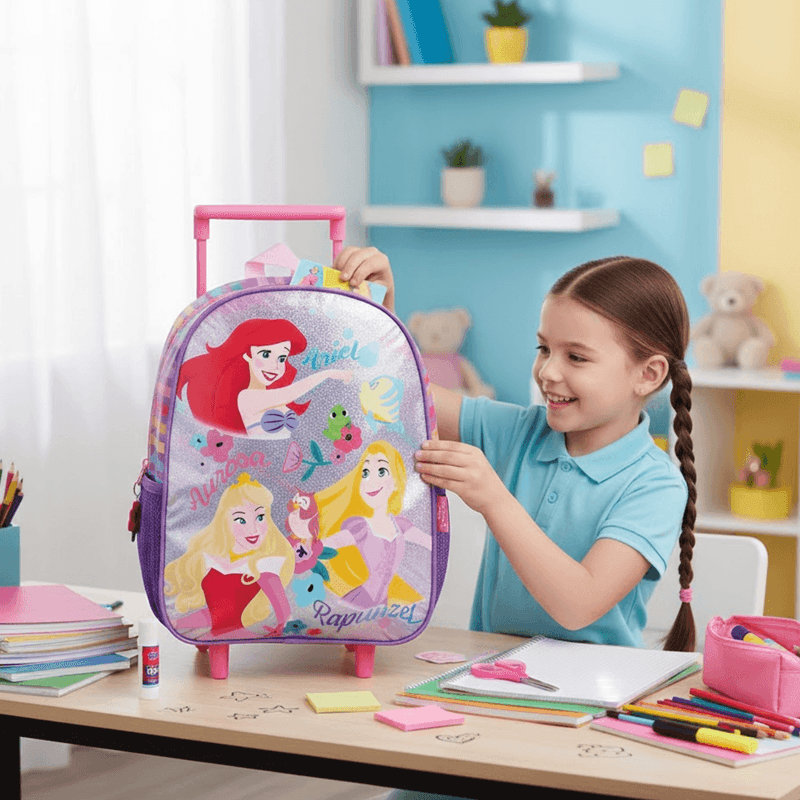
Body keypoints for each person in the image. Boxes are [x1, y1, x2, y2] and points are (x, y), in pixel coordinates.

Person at [331, 247, 696, 800]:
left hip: (586, 721)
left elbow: (578, 603)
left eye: (576, 357)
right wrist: (381, 305)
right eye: (544, 348)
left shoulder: (655, 485)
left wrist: (494, 500)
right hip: (483, 698)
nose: (548, 371)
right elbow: (397, 394)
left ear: (648, 374)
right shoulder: (518, 431)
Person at [165, 472, 295, 638]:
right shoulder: (212, 559)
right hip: (219, 632)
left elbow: (283, 609)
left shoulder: (263, 565)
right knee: (213, 636)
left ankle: (208, 644)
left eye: (260, 517)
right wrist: (180, 623)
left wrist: (283, 626)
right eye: (241, 520)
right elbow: (216, 614)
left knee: (217, 639)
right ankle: (204, 642)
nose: (253, 529)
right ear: (224, 522)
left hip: (234, 632)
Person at [177, 317, 351, 438]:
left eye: (282, 358)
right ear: (248, 355)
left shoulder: (272, 395)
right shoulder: (246, 397)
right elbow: (290, 393)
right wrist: (327, 374)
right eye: (266, 355)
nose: (275, 365)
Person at [315, 440, 432, 608]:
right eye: (365, 473)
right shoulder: (360, 527)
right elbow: (322, 547)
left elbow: (431, 543)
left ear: (396, 481)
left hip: (383, 605)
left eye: (381, 471)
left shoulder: (400, 525)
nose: (370, 481)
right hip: (358, 602)